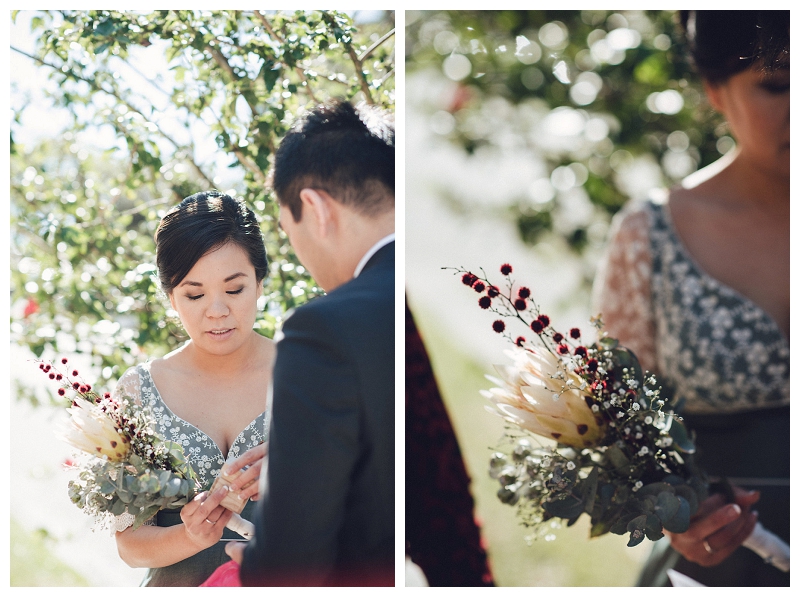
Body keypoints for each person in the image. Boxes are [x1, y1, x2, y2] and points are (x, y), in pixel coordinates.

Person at [593, 10, 789, 587]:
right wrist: (672, 512)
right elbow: (614, 430)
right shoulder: (649, 235)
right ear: (715, 90)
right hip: (722, 566)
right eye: (777, 85)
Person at [223, 99, 395, 586]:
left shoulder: (323, 330)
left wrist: (253, 564)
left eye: (288, 228)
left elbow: (289, 567)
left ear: (315, 209)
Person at [112, 191, 274, 586]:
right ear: (171, 298)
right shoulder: (138, 392)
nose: (217, 310)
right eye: (195, 294)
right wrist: (188, 536)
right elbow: (129, 545)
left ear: (260, 284)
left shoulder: (309, 374)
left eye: (234, 289)